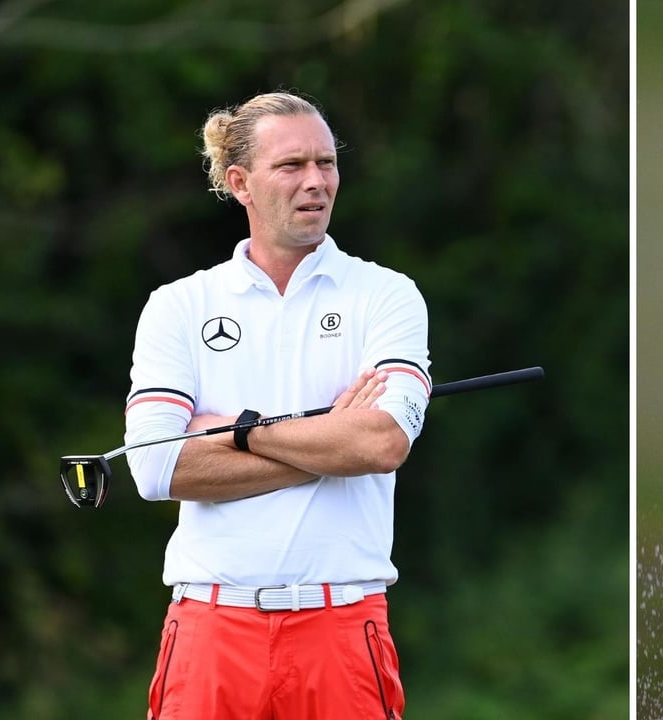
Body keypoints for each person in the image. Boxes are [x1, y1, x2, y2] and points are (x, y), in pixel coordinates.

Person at [123, 91, 431, 719]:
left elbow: (381, 444)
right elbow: (156, 470)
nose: (316, 181)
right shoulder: (179, 304)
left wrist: (235, 431)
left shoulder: (387, 295)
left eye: (326, 163)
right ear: (240, 183)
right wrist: (330, 439)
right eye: (292, 166)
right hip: (211, 626)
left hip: (342, 623)